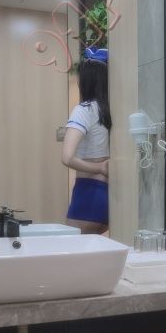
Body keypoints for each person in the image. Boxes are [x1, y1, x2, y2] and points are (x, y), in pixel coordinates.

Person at [61, 47, 111, 235]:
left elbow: (67, 157)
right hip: (108, 193)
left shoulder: (83, 110)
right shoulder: (107, 110)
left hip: (88, 192)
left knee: (75, 251)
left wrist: (99, 168)